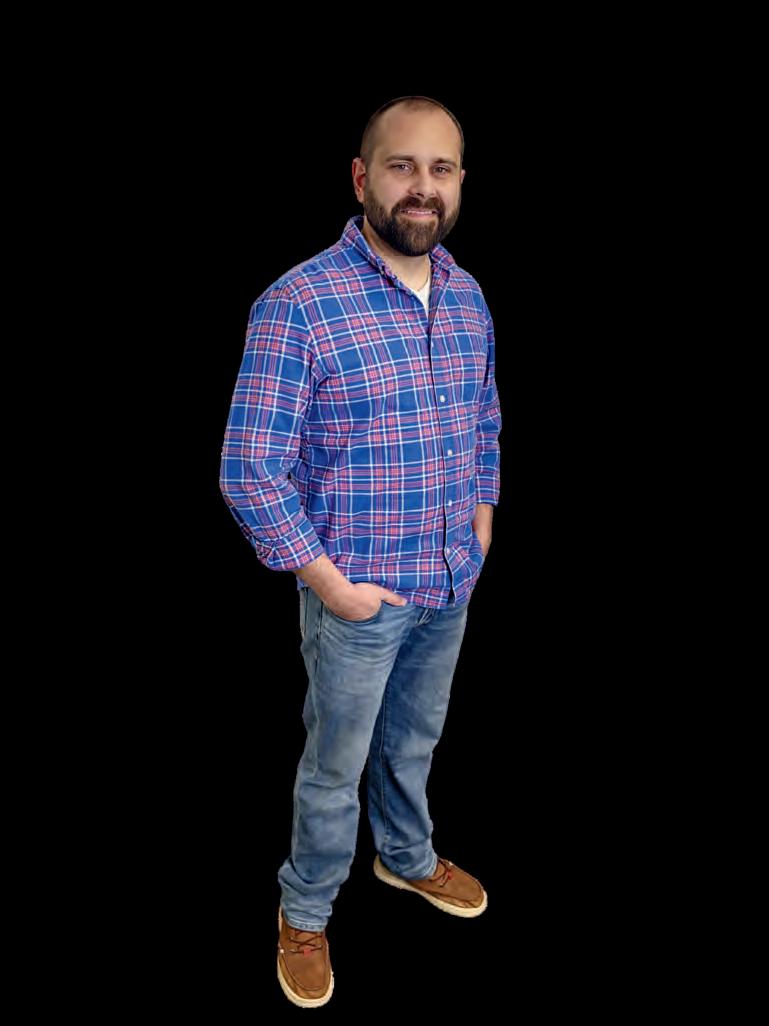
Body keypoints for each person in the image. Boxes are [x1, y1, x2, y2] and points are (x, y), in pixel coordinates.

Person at [219, 95, 502, 1009]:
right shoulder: (298, 303)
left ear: (458, 183)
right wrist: (327, 582)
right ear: (360, 177)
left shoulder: (466, 295)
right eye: (401, 166)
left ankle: (406, 857)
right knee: (333, 768)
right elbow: (249, 467)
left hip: (448, 581)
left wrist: (481, 517)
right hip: (357, 596)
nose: (422, 187)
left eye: (440, 169)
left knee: (415, 741)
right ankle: (304, 909)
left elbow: (484, 418)